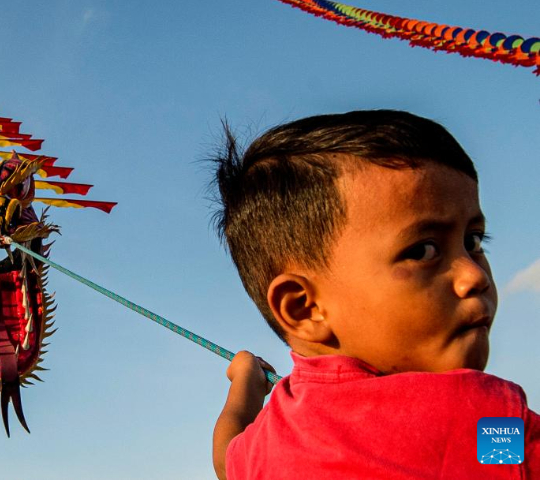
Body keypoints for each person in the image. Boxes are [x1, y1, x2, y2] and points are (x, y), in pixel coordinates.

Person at [210, 110, 538, 479]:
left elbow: (227, 459)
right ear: (304, 308)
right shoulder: (480, 419)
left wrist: (244, 380)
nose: (474, 275)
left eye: (473, 241)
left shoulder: (272, 443)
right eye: (423, 251)